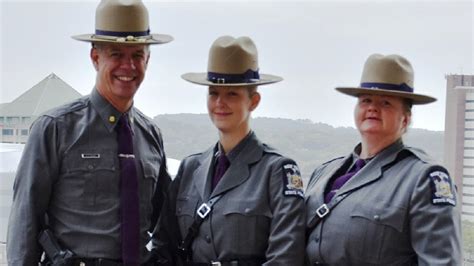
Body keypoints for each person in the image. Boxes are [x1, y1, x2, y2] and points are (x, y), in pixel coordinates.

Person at [7, 0, 173, 265]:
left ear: (148, 60)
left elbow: (166, 222)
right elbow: (25, 223)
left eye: (137, 55)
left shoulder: (151, 135)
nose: (128, 66)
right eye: (116, 54)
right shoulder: (56, 129)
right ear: (96, 57)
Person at [153, 36, 305, 265]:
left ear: (253, 101)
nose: (220, 103)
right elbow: (163, 247)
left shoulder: (277, 172)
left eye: (232, 93)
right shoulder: (190, 168)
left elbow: (285, 258)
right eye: (213, 93)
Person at [305, 54, 462, 265]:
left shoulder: (424, 179)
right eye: (366, 100)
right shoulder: (323, 173)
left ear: (405, 119)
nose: (372, 108)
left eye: (386, 103)